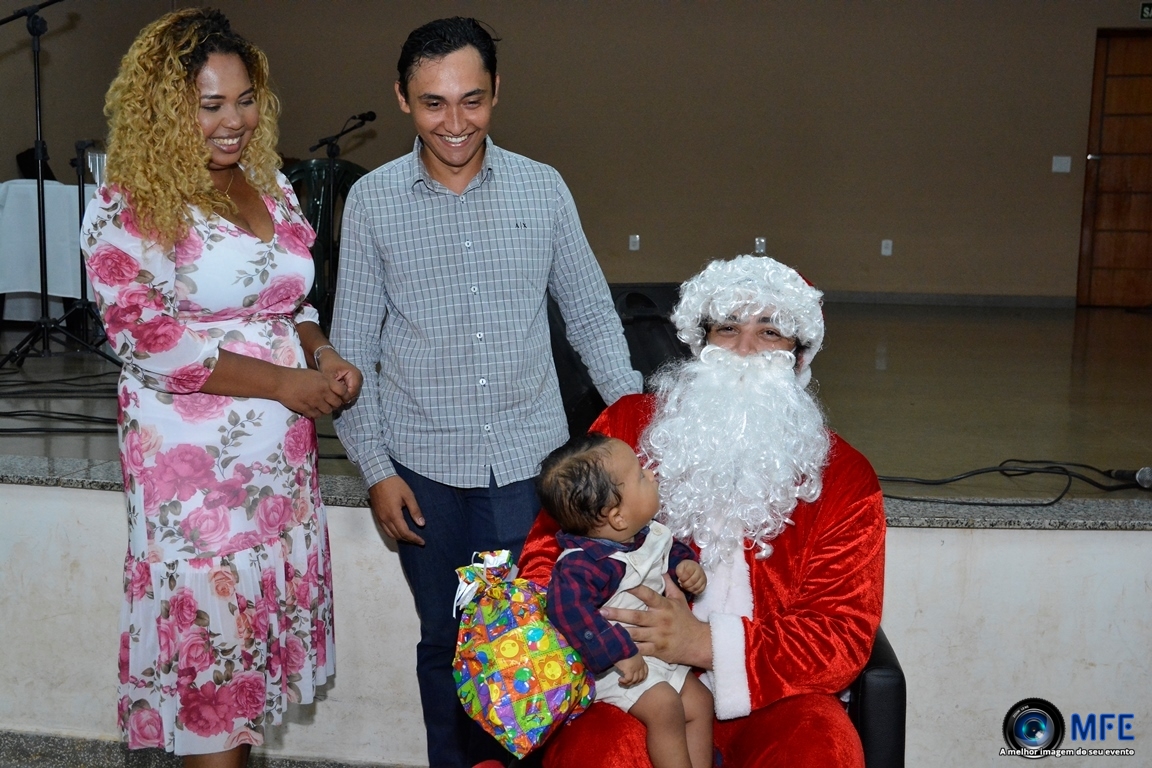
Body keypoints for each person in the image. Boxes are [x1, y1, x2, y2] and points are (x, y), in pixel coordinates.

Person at [329, 16, 641, 768]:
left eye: (472, 99)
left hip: (527, 473)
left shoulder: (543, 187)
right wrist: (375, 470)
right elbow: (352, 351)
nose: (455, 122)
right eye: (433, 102)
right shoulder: (372, 201)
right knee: (446, 641)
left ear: (496, 91)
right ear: (402, 98)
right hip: (422, 477)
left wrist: (633, 420)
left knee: (527, 644)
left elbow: (591, 315)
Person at [82, 9, 362, 766]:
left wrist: (323, 355)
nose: (233, 121)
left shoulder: (270, 185)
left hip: (276, 475)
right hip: (195, 482)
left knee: (246, 685)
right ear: (163, 110)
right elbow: (145, 338)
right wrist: (281, 382)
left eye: (244, 101)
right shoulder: (129, 204)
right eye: (210, 105)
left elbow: (291, 303)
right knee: (212, 679)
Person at [519, 254, 887, 768]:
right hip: (634, 679)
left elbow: (840, 637)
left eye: (770, 332)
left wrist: (705, 644)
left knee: (821, 747)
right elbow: (546, 555)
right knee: (596, 750)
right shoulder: (626, 428)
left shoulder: (845, 476)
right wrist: (597, 631)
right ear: (701, 340)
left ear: (799, 355)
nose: (743, 349)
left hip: (771, 694)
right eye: (728, 328)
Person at [537, 433, 713, 768]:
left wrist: (687, 570)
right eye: (640, 476)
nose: (651, 473)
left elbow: (670, 556)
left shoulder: (648, 533)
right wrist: (618, 653)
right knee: (665, 707)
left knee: (700, 702)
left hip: (656, 655)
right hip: (612, 667)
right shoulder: (582, 565)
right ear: (617, 517)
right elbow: (568, 612)